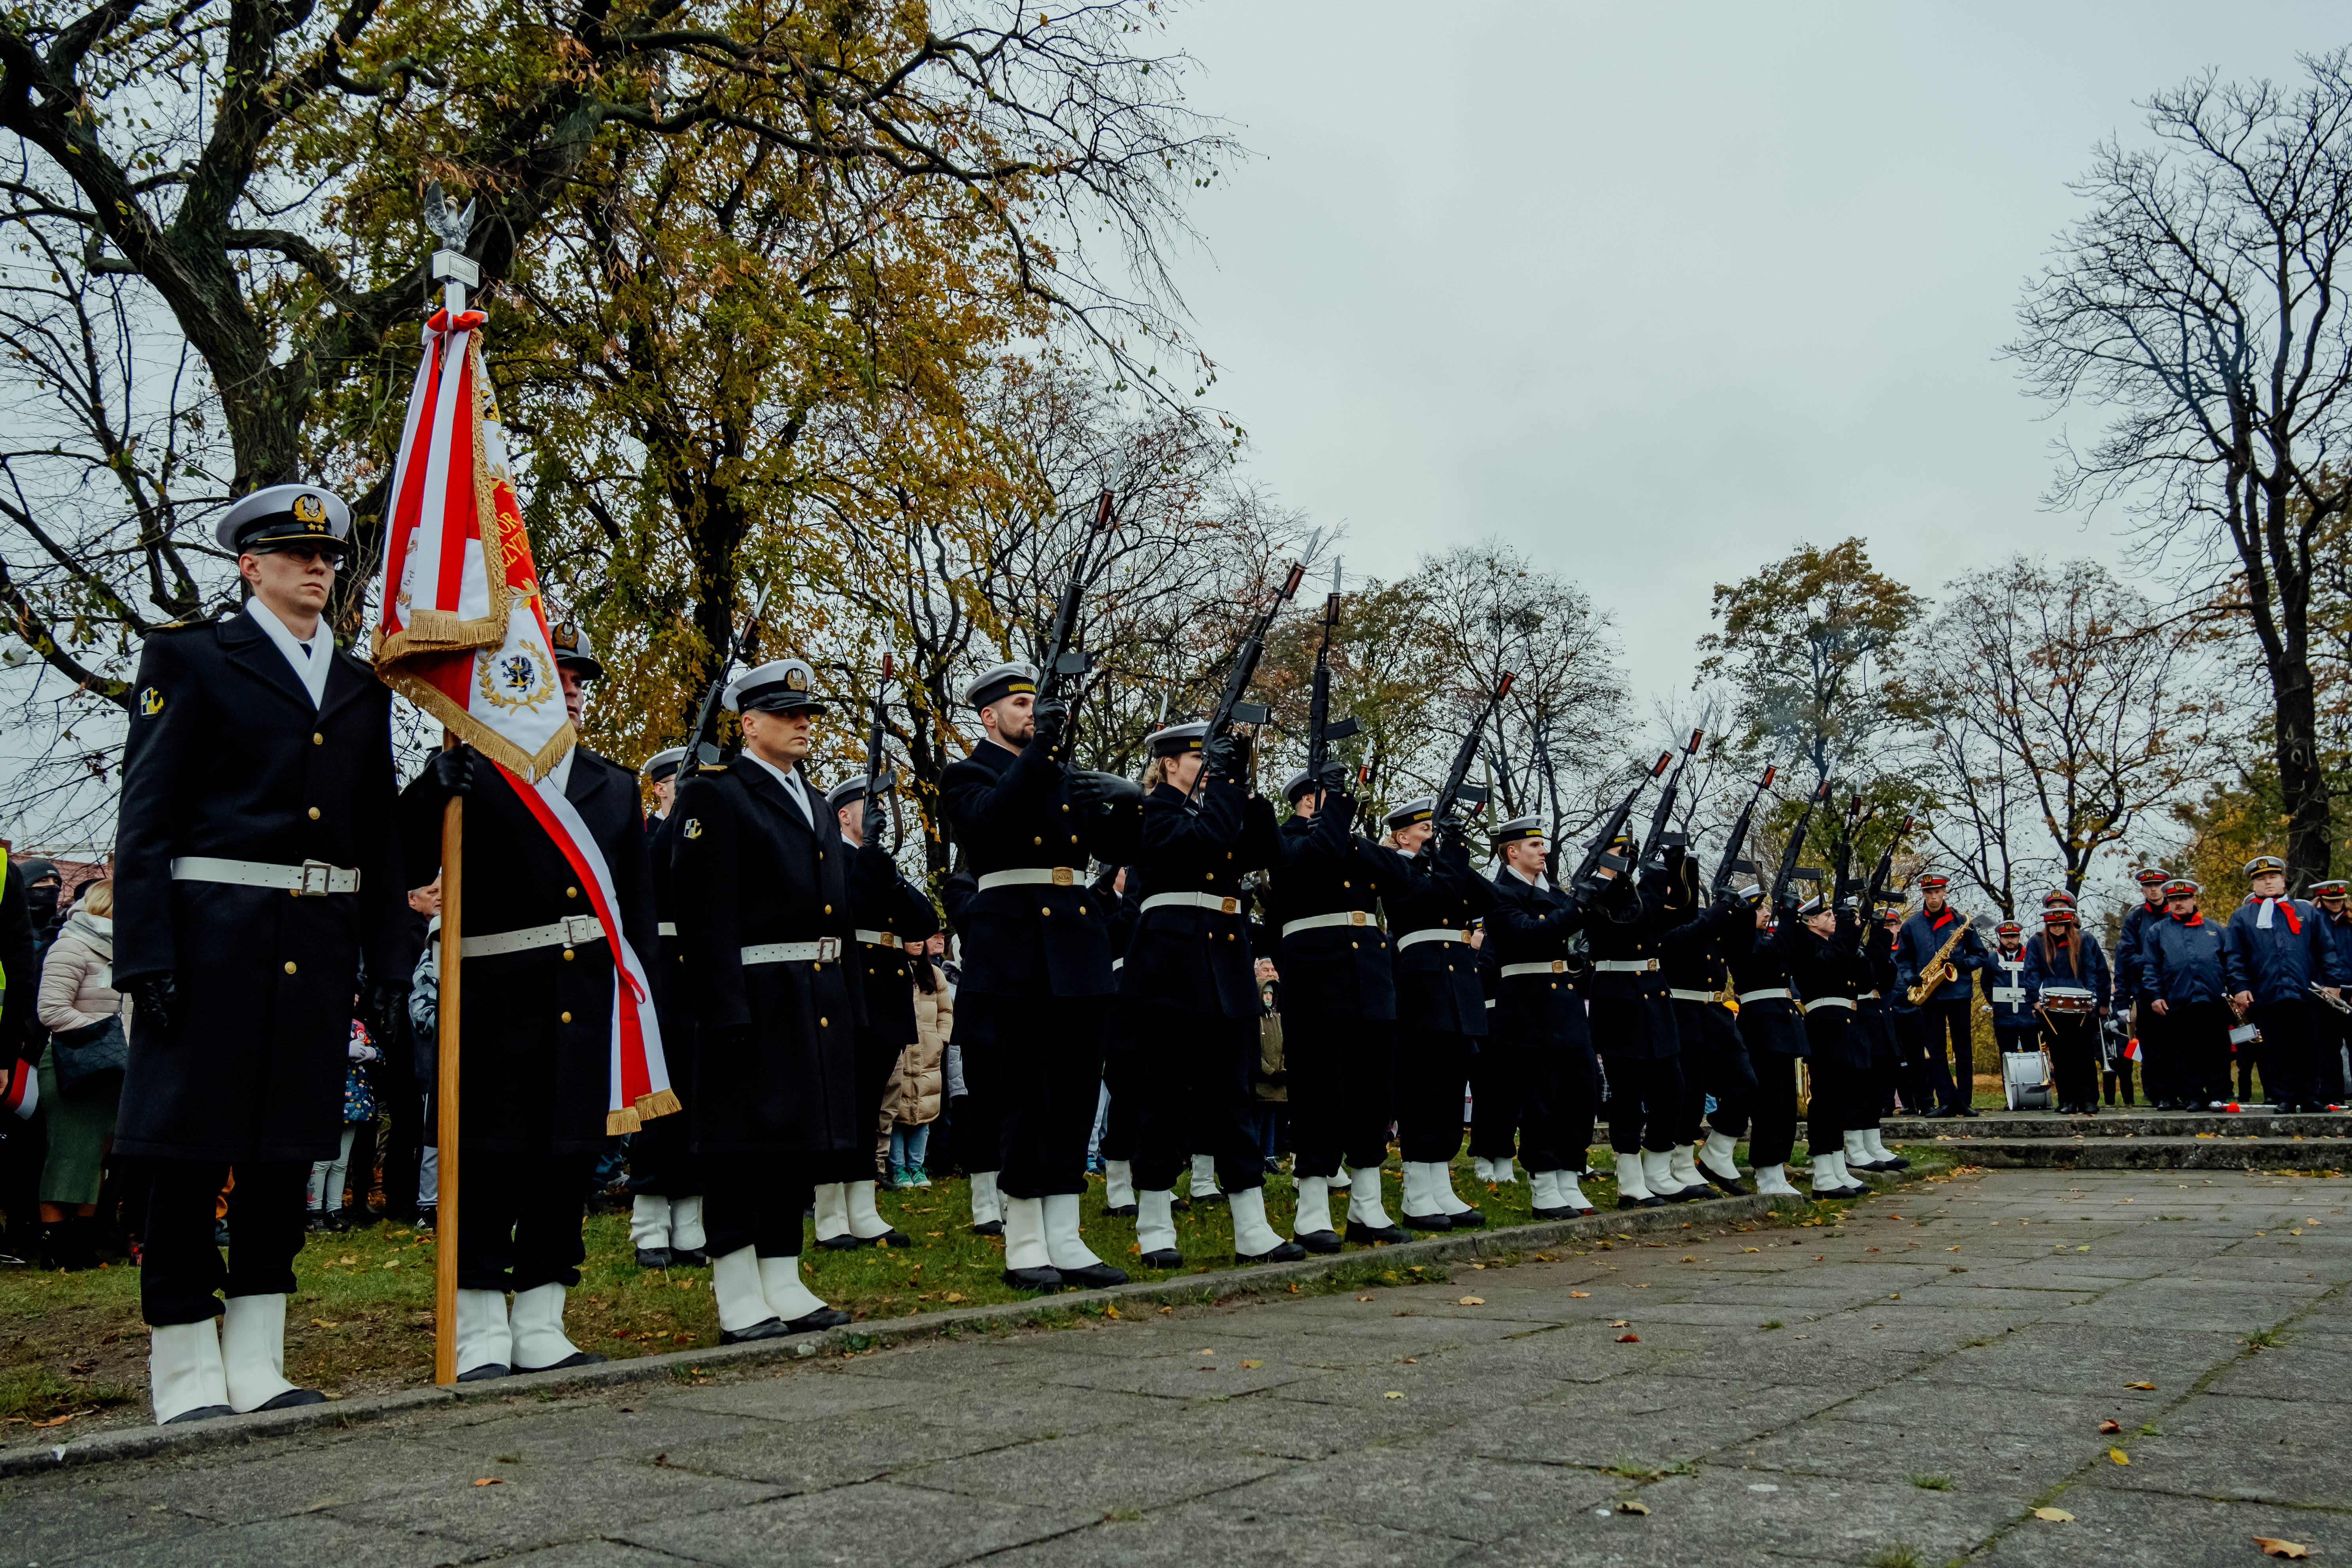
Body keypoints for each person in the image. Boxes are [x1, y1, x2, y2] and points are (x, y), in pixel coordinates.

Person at [113, 483, 408, 1423]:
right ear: (251, 564)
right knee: (189, 1159)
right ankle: (187, 1366)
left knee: (285, 1160)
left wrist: (390, 964)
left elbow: (377, 836)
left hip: (314, 949)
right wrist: (144, 952)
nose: (318, 568)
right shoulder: (191, 656)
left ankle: (259, 1357)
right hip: (210, 944)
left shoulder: (361, 686)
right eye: (296, 554)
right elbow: (147, 816)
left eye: (328, 557)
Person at [397, 619, 656, 1379]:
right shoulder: (473, 766)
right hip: (495, 996)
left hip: (587, 996)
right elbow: (405, 859)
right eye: (558, 675)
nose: (571, 690)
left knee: (567, 1161)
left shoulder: (612, 784)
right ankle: (478, 1325)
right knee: (485, 1162)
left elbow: (634, 908)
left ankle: (543, 1316)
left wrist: (645, 1002)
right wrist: (427, 793)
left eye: (579, 680)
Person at [669, 656, 858, 1340]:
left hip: (812, 994)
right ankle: (736, 1287)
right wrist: (722, 1008)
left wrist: (849, 1002)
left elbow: (837, 913)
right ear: (749, 724)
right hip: (752, 993)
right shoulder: (717, 793)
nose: (803, 723)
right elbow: (703, 912)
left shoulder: (813, 800)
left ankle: (782, 1275)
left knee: (795, 1147)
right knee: (739, 1148)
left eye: (806, 714)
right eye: (786, 714)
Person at [940, 662, 1141, 1289]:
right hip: (1017, 947)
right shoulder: (966, 773)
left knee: (1074, 1095)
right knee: (1025, 1098)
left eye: (1037, 704)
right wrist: (1047, 751)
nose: (1032, 713)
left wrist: (1133, 797)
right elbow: (994, 819)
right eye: (1022, 704)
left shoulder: (1055, 772)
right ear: (988, 716)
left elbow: (1121, 844)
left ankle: (1065, 1233)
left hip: (1077, 947)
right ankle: (1025, 1237)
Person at [1119, 720, 1297, 1269]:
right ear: (1169, 763)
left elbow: (1272, 851)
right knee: (1163, 1098)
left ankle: (1250, 1223)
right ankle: (1152, 1219)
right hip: (1169, 967)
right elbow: (1206, 841)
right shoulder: (1150, 810)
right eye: (1201, 758)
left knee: (1232, 1097)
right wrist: (1225, 785)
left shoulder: (1221, 803)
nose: (1210, 766)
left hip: (1224, 962)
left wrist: (1246, 782)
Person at [1261, 768, 1422, 1247]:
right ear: (1306, 801)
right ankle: (1311, 1209)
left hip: (1369, 979)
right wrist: (1333, 828)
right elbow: (1303, 862)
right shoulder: (1284, 837)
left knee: (1373, 1095)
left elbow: (1401, 877)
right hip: (1317, 976)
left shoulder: (1350, 842)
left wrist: (1352, 838)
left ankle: (1366, 1208)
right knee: (1319, 1094)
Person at [809, 772, 935, 1251]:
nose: (883, 812)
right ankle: (829, 1212)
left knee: (867, 1111)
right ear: (844, 814)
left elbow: (923, 922)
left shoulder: (881, 864)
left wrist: (891, 873)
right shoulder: (829, 855)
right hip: (848, 982)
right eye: (871, 805)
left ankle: (861, 1207)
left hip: (885, 989)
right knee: (840, 1104)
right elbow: (847, 904)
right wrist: (872, 863)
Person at [1379, 796, 1499, 1229]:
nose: (1432, 834)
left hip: (1459, 985)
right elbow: (1440, 894)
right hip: (1423, 982)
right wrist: (1445, 854)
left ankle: (1439, 1184)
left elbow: (1491, 898)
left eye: (1434, 828)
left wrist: (1452, 848)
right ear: (1401, 835)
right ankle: (1415, 1189)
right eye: (1425, 829)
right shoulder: (1395, 868)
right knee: (1424, 1089)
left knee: (1450, 1087)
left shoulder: (1440, 864)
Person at [1583, 834, 1715, 1209]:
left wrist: (1678, 866)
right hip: (1619, 997)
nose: (1629, 857)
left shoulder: (1640, 887)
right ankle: (1630, 1182)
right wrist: (1655, 880)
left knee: (1672, 1088)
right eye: (1622, 852)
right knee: (1628, 1097)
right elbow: (1633, 926)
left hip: (1654, 996)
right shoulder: (1592, 889)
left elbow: (1680, 914)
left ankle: (1659, 1172)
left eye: (1633, 852)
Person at [1482, 815, 1600, 1217]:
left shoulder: (1556, 892)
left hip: (1565, 1004)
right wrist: (1576, 908)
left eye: (1543, 845)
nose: (1543, 851)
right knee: (1541, 1101)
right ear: (1511, 851)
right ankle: (1544, 1183)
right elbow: (1528, 934)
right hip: (1527, 1006)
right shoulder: (1499, 893)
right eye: (1534, 846)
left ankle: (1569, 1175)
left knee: (1579, 1096)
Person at [629, 745, 704, 1270]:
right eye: (681, 780)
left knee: (699, 1099)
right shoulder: (640, 832)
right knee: (658, 1101)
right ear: (659, 787)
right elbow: (643, 884)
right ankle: (649, 1219)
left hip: (698, 971)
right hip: (655, 968)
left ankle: (690, 1215)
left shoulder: (704, 833)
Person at [33, 878, 126, 1270]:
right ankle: (57, 1248)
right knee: (68, 1158)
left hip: (114, 1071)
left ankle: (82, 1246)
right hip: (73, 1067)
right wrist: (107, 1039)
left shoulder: (126, 952)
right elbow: (51, 1010)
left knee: (96, 1159)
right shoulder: (70, 946)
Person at [2221, 854, 2347, 1113]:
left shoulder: (2306, 911)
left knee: (2310, 1046)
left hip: (2306, 992)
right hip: (2266, 993)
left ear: (2283, 880)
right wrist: (2241, 987)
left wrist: (2333, 982)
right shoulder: (2242, 917)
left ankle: (2310, 1096)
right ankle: (2285, 1097)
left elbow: (2326, 949)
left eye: (2273, 877)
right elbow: (2235, 956)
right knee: (2276, 1048)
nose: (2268, 882)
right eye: (2261, 878)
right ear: (2254, 884)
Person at [1660, 853, 1755, 1195]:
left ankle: (1717, 1153)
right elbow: (1687, 938)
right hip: (1684, 1011)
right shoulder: (1664, 919)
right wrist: (1722, 909)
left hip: (1715, 1013)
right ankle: (1681, 1160)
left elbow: (1740, 943)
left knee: (1745, 1084)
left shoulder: (1711, 917)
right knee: (1691, 1095)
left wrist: (1742, 906)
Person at [1779, 894, 1869, 1198]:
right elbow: (1828, 968)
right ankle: (1822, 1170)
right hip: (1824, 1023)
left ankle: (1836, 1165)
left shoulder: (1835, 944)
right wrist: (1847, 933)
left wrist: (1857, 933)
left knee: (1842, 1099)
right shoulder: (1805, 944)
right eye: (1828, 914)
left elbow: (1867, 979)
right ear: (1811, 920)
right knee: (1826, 1100)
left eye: (1835, 914)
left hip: (1846, 1022)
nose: (1834, 918)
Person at [1725, 889, 1804, 1196]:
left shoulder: (1765, 939)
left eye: (1768, 908)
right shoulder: (1742, 939)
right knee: (1770, 1102)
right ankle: (1767, 1169)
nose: (1766, 913)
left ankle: (1778, 1165)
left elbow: (1790, 946)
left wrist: (1792, 916)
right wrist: (1788, 914)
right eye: (1759, 909)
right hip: (1761, 1024)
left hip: (1781, 1022)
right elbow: (1778, 950)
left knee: (1785, 1103)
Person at [1893, 874, 1986, 1118]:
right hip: (1929, 994)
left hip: (1958, 991)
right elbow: (1903, 959)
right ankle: (1945, 1101)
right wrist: (1909, 975)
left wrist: (1961, 963)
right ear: (1923, 894)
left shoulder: (1961, 922)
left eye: (1938, 892)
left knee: (1963, 1048)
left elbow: (1981, 955)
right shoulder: (1911, 925)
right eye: (1929, 892)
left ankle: (1965, 1101)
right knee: (1936, 1050)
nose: (1933, 897)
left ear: (1945, 892)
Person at [2138, 877, 2234, 1111]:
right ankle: (2194, 1097)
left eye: (2183, 899)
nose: (2178, 903)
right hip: (2179, 1000)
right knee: (2187, 1052)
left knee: (2217, 1051)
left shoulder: (2215, 929)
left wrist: (2237, 992)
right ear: (2168, 903)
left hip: (2214, 1001)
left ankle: (2217, 1095)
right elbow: (2151, 966)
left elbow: (2231, 963)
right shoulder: (2158, 931)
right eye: (2173, 900)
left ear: (2194, 899)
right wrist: (2155, 995)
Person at [2025, 895, 2112, 1113]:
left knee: (2083, 1053)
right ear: (2046, 919)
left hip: (2082, 1007)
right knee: (2060, 1054)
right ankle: (2067, 1101)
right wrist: (2034, 999)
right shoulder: (2036, 941)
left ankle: (2089, 1100)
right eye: (2052, 918)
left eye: (2061, 916)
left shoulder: (2086, 939)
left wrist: (2098, 999)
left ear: (2070, 916)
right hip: (2051, 1007)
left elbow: (2096, 972)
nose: (2057, 925)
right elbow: (2032, 971)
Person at [889, 933, 951, 1187]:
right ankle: (898, 1168)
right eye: (910, 938)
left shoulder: (935, 974)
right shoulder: (893, 969)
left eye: (920, 939)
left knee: (924, 1109)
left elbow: (946, 1011)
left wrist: (941, 1040)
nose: (917, 943)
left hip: (929, 1051)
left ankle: (917, 1167)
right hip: (900, 1050)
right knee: (897, 1110)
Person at [306, 1011, 379, 1228]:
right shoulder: (322, 1021)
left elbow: (381, 1054)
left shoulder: (359, 1026)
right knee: (321, 1161)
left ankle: (334, 1209)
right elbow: (311, 1054)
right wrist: (342, 1051)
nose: (355, 998)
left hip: (356, 1104)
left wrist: (371, 1053)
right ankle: (314, 1211)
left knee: (340, 1161)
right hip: (328, 1103)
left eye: (358, 993)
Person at [2112, 867, 2176, 1108]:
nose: (2153, 890)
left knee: (2180, 1043)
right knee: (2153, 1045)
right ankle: (2158, 1094)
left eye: (2158, 885)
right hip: (2147, 990)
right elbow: (2126, 953)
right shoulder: (2136, 917)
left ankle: (2184, 1090)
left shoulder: (2178, 910)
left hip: (2177, 988)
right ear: (2142, 889)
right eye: (2148, 886)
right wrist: (2153, 961)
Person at [2312, 881, 2352, 1103]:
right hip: (2324, 992)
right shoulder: (2314, 922)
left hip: (2350, 990)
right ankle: (2333, 1094)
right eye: (2331, 900)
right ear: (2321, 900)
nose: (2336, 904)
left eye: (2339, 900)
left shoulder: (2351, 921)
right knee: (2328, 1045)